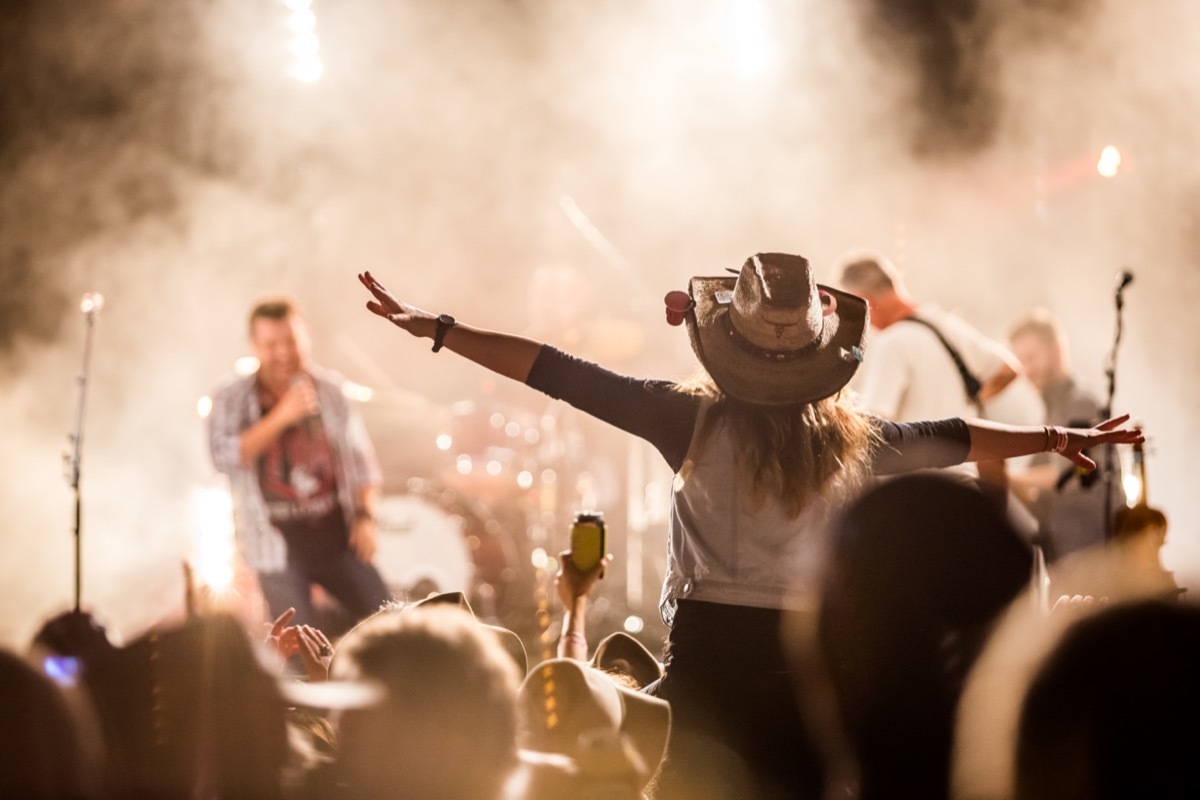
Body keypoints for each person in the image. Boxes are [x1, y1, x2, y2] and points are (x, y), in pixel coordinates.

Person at [357, 254, 1141, 800]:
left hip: (705, 659)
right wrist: (1057, 439)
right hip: (805, 660)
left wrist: (441, 328)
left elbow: (554, 370)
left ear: (725, 341)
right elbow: (960, 435)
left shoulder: (685, 418)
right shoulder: (853, 440)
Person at [208, 297, 391, 632]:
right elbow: (222, 457)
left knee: (392, 626)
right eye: (271, 344)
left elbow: (363, 465)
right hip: (274, 549)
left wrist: (366, 518)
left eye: (290, 341)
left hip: (340, 540)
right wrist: (283, 415)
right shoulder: (229, 397)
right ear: (254, 347)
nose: (283, 353)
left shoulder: (332, 390)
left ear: (306, 339)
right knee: (300, 648)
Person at [836, 252, 1045, 503]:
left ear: (864, 300)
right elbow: (1008, 369)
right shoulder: (945, 323)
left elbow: (871, 433)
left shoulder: (892, 343)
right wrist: (968, 400)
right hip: (966, 486)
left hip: (918, 495)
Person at [1005, 308, 1110, 561]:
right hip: (1067, 547)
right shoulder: (1053, 409)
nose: (1026, 370)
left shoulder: (1080, 403)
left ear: (1057, 350)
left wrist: (1006, 477)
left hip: (1087, 548)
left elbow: (1072, 473)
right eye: (1020, 361)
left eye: (1031, 357)